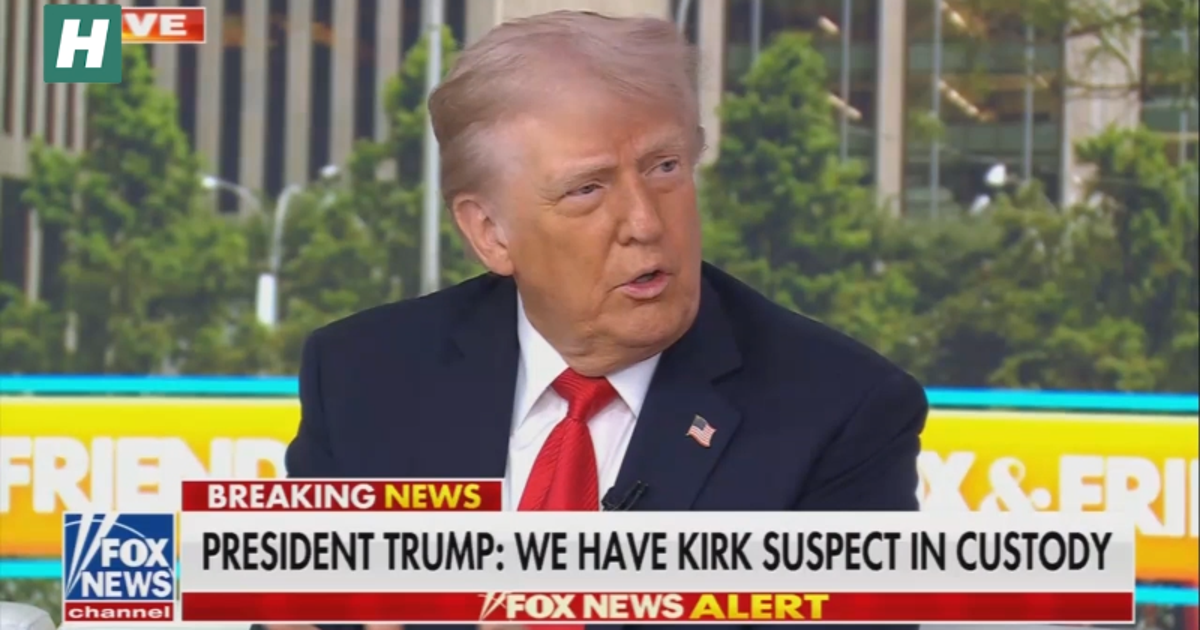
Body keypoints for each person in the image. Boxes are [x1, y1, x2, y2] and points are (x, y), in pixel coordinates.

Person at [277, 9, 927, 630]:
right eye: (587, 189)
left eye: (665, 168)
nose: (645, 223)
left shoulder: (843, 415)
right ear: (491, 232)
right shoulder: (364, 377)